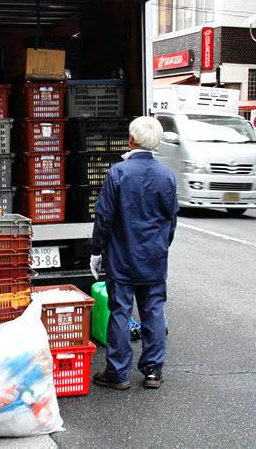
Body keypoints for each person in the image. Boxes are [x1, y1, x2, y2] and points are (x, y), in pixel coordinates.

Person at [89, 116, 179, 390]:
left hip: (122, 258)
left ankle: (117, 373)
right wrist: (161, 247)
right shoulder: (167, 176)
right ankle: (152, 371)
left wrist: (97, 251)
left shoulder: (118, 173)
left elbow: (103, 218)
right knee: (153, 312)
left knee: (120, 311)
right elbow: (171, 222)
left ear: (131, 140)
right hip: (154, 258)